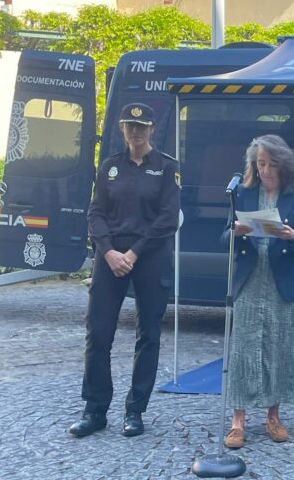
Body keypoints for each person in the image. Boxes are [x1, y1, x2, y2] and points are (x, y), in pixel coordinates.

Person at [69, 103, 180, 438]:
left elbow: (168, 218)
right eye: (130, 126)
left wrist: (134, 252)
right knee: (98, 333)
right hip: (111, 256)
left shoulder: (167, 167)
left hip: (150, 255)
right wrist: (108, 251)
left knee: (148, 335)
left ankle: (135, 411)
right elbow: (96, 212)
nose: (136, 131)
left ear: (152, 129)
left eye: (142, 126)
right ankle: (95, 410)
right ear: (122, 129)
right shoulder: (110, 167)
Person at [221, 135, 294, 449]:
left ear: (283, 165)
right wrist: (236, 231)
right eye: (260, 164)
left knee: (277, 349)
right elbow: (223, 238)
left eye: (271, 165)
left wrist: (293, 235)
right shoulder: (243, 192)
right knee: (243, 350)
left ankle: (273, 416)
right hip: (250, 280)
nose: (265, 171)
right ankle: (238, 420)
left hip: (283, 281)